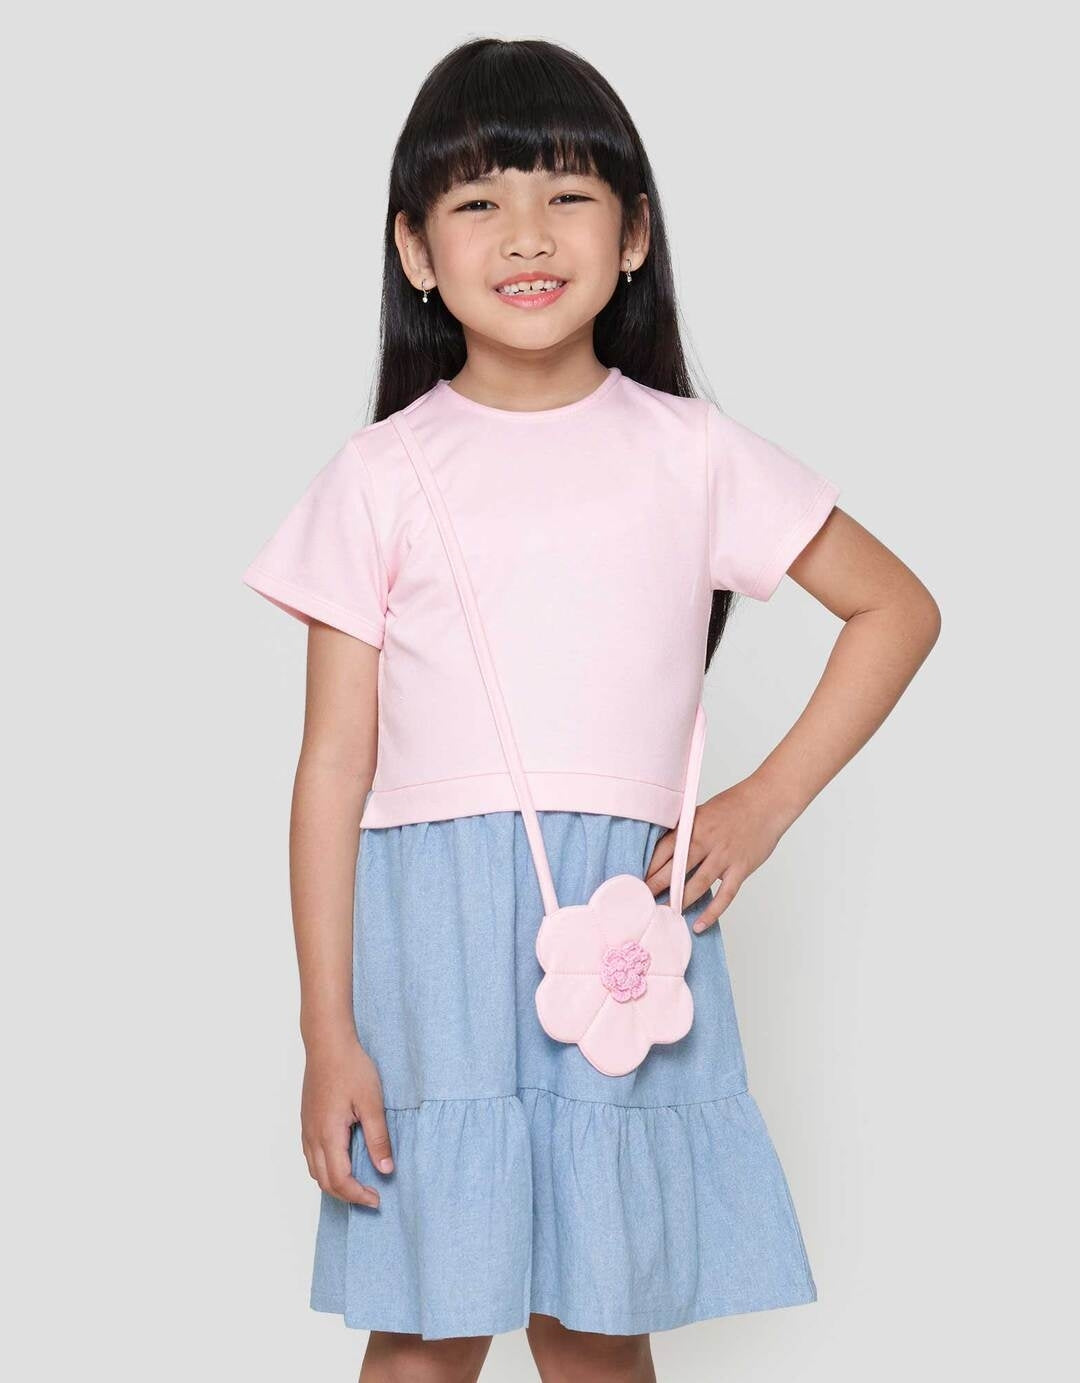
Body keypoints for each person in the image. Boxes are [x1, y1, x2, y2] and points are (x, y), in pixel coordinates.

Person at [241, 35, 941, 1383]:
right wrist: (328, 1030)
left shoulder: (693, 452)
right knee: (428, 1323)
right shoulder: (379, 476)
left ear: (633, 237)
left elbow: (895, 608)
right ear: (415, 250)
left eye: (567, 194)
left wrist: (765, 803)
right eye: (479, 200)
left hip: (621, 927)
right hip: (432, 945)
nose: (526, 233)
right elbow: (332, 769)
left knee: (597, 1321)